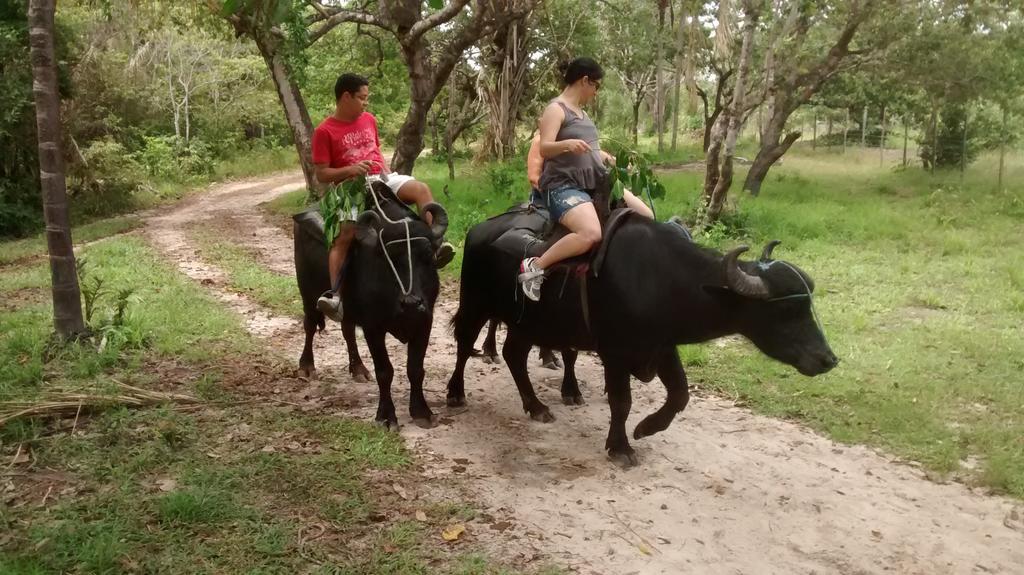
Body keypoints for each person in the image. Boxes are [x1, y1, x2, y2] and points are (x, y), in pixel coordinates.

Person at [311, 73, 455, 322]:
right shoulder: (324, 131)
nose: (365, 103)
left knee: (421, 189)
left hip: (381, 178)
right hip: (349, 187)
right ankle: (335, 296)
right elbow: (322, 174)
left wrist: (388, 175)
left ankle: (435, 247)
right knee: (345, 235)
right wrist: (350, 170)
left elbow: (375, 151)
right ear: (346, 97)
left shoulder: (369, 120)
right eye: (362, 98)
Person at [519, 57, 649, 301]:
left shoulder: (583, 115)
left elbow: (590, 148)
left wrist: (610, 158)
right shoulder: (556, 109)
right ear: (585, 80)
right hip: (563, 187)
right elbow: (545, 148)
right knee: (591, 233)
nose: (596, 92)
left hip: (596, 183)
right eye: (596, 86)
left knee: (647, 216)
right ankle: (535, 266)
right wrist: (567, 144)